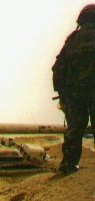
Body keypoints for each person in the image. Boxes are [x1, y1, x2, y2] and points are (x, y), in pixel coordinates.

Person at [52, 4, 95, 174]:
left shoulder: (72, 40)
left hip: (75, 95)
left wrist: (63, 95)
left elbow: (57, 69)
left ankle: (68, 166)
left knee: (75, 130)